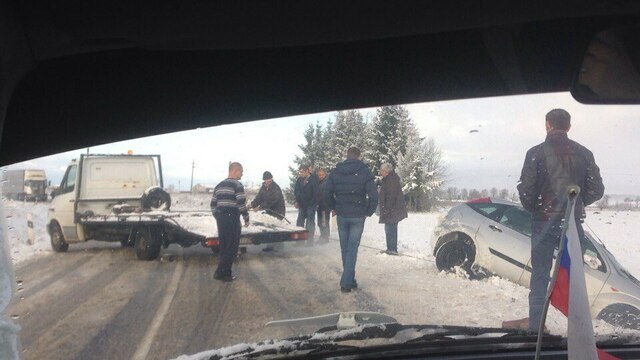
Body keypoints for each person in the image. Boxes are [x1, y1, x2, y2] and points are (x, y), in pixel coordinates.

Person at [516, 109, 604, 333]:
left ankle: (535, 331)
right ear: (569, 126)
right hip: (572, 225)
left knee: (540, 277)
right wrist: (575, 203)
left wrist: (538, 209)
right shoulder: (584, 153)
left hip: (543, 223)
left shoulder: (535, 153)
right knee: (574, 279)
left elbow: (527, 193)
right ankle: (578, 335)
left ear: (547, 124)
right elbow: (596, 189)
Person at [325, 147, 378, 293]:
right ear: (359, 156)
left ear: (346, 156)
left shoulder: (336, 171)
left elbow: (326, 191)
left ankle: (350, 279)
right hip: (357, 215)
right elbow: (374, 196)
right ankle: (346, 283)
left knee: (345, 248)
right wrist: (368, 211)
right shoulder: (364, 171)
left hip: (342, 214)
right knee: (352, 249)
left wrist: (333, 207)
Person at [210, 162, 250, 282]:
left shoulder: (219, 185)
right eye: (241, 172)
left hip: (221, 218)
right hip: (232, 218)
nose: (242, 174)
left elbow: (213, 205)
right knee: (232, 247)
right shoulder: (237, 185)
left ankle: (226, 273)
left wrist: (218, 216)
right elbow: (241, 203)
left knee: (224, 246)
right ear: (235, 170)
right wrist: (246, 217)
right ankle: (220, 273)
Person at [249, 171, 286, 251]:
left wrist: (259, 208)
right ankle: (270, 246)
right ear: (264, 180)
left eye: (270, 179)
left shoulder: (275, 187)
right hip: (269, 211)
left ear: (271, 179)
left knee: (276, 228)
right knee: (269, 228)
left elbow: (271, 200)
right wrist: (252, 205)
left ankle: (279, 248)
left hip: (278, 211)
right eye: (267, 179)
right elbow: (259, 197)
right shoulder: (263, 187)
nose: (269, 181)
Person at [378, 163, 408, 255]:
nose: (380, 172)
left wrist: (387, 209)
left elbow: (391, 196)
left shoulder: (391, 180)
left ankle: (392, 249)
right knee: (389, 228)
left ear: (386, 171)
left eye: (381, 170)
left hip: (393, 210)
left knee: (390, 228)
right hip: (392, 209)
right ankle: (390, 248)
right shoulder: (389, 179)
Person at [294, 164, 319, 244]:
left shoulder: (314, 179)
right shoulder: (299, 180)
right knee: (300, 222)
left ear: (307, 171)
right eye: (300, 172)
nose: (300, 174)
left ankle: (309, 241)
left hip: (310, 204)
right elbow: (296, 191)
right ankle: (299, 241)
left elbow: (316, 193)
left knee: (310, 223)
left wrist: (312, 203)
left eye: (302, 172)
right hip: (302, 204)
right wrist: (297, 201)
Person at [316, 168, 332, 242]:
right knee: (320, 222)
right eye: (319, 175)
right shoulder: (318, 182)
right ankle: (323, 236)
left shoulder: (327, 182)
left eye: (322, 175)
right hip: (319, 206)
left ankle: (325, 237)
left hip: (325, 206)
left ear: (325, 174)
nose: (321, 176)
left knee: (324, 222)